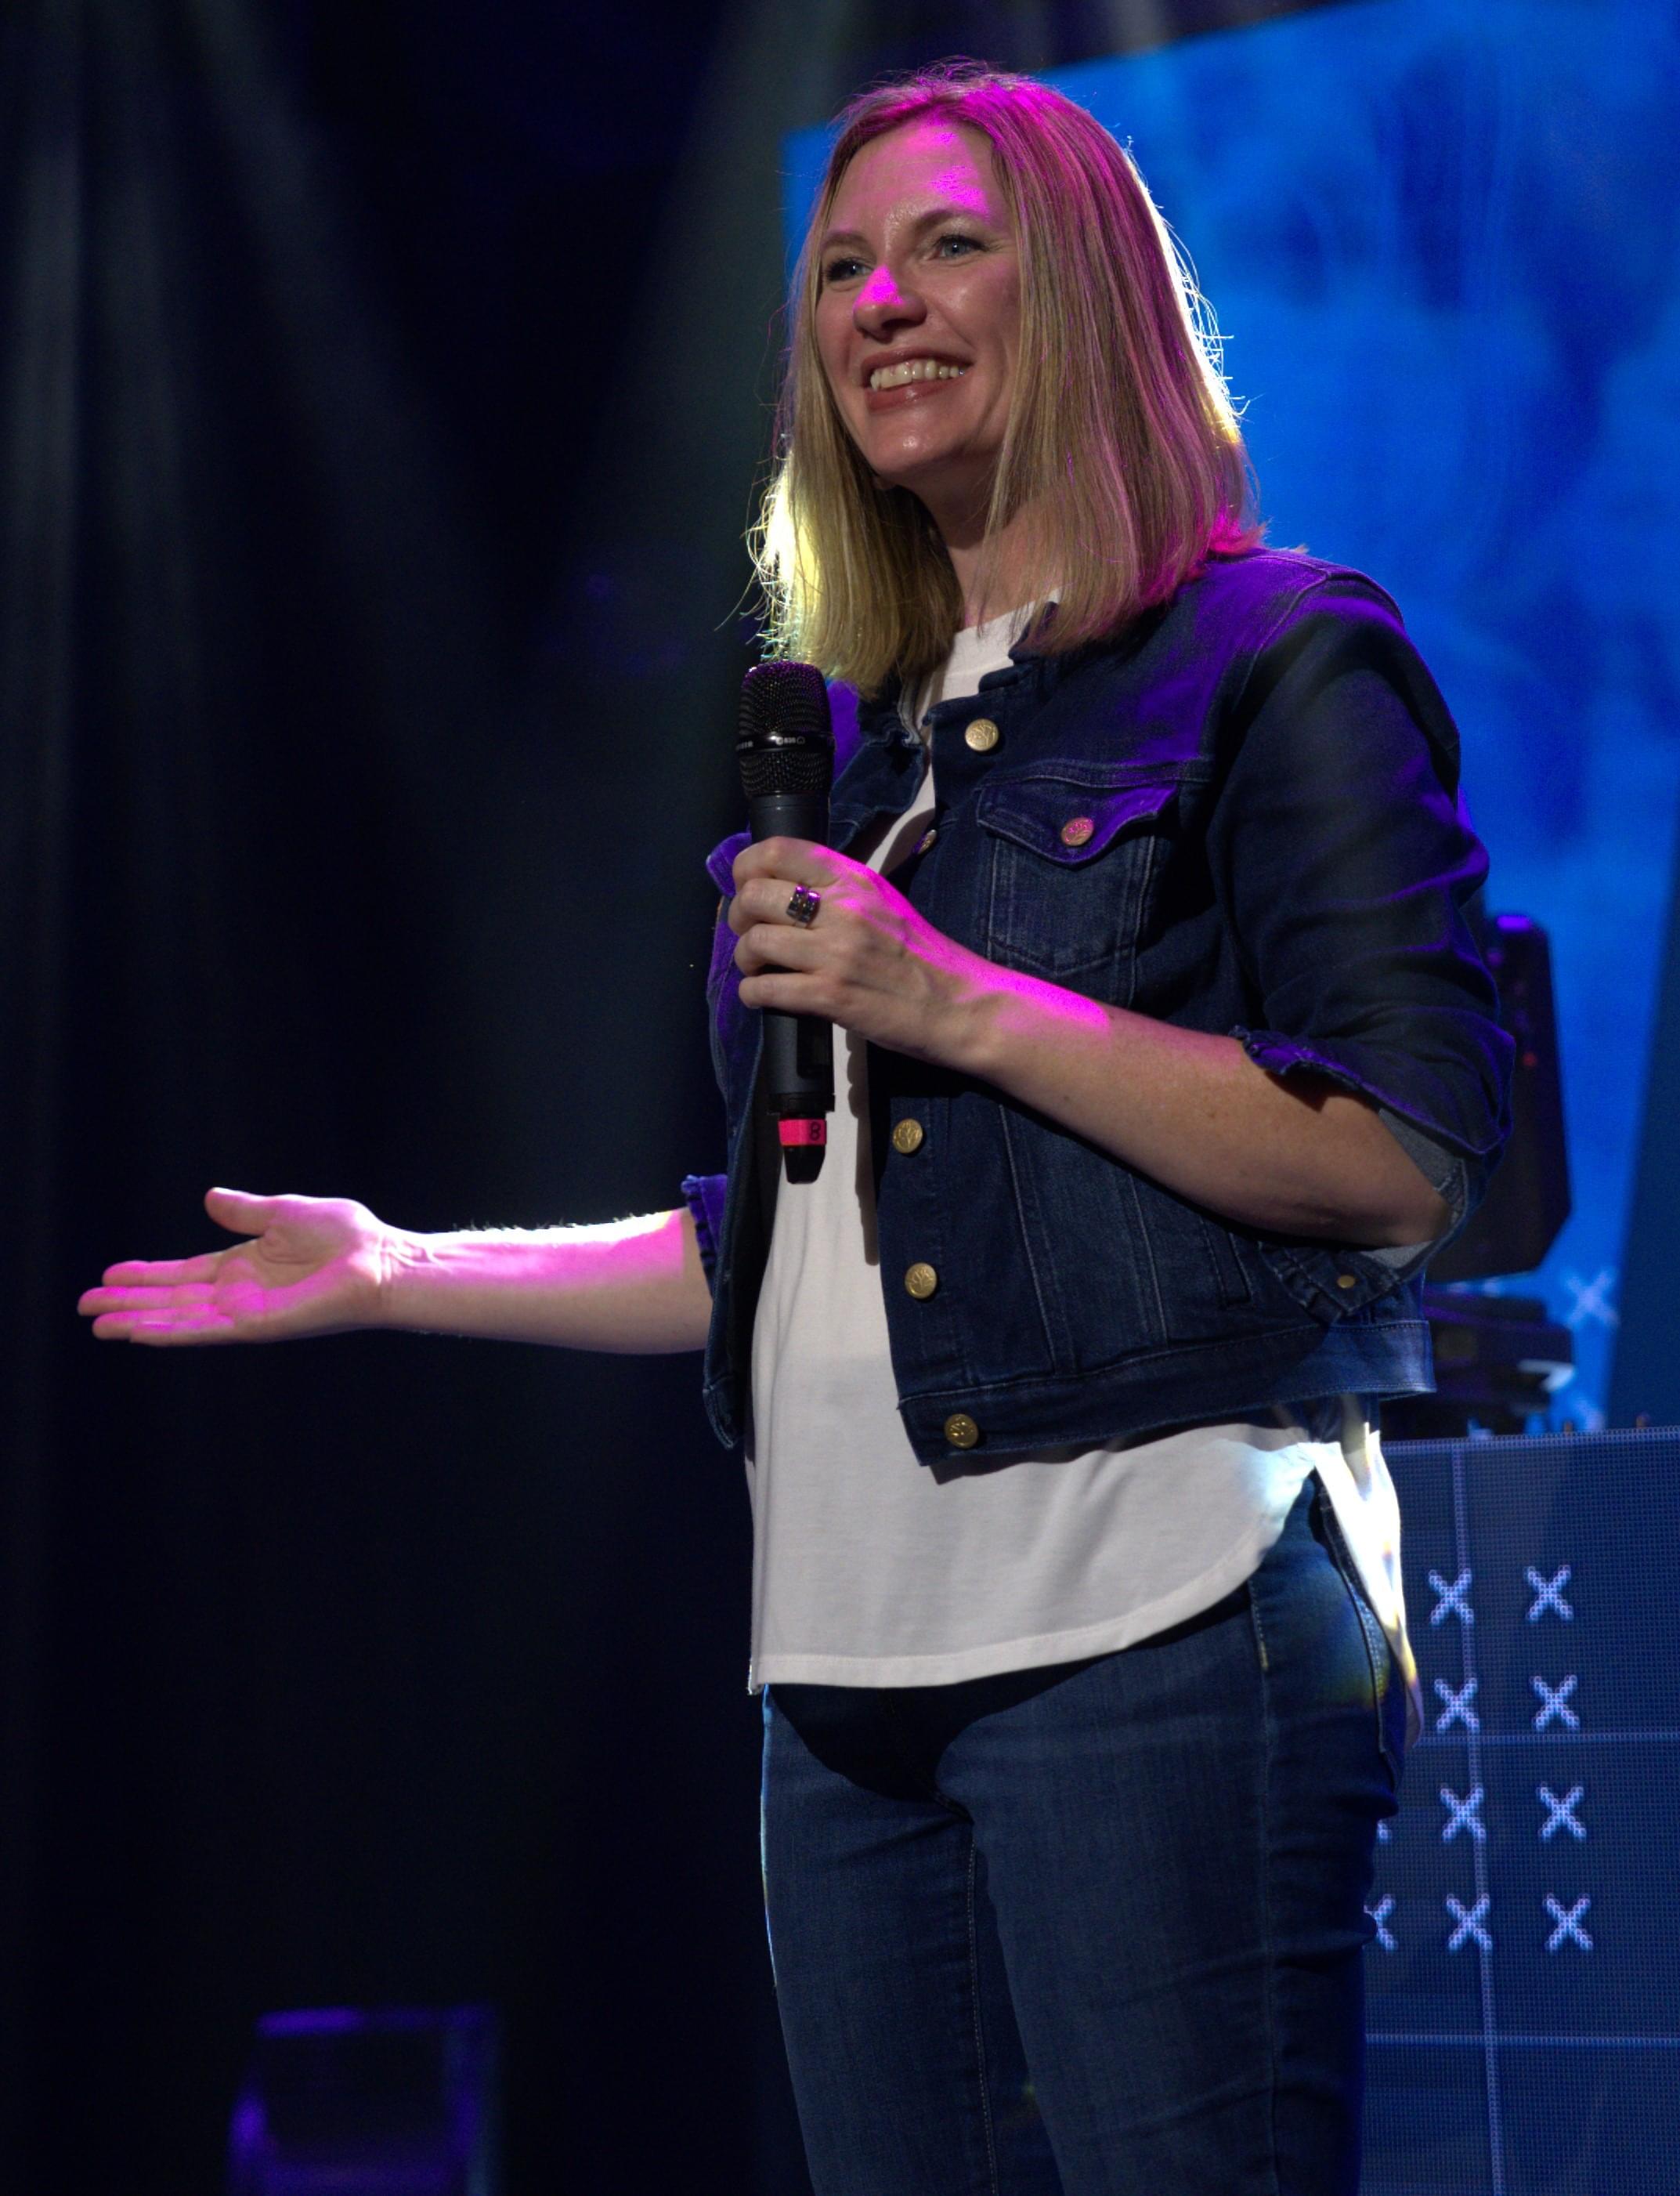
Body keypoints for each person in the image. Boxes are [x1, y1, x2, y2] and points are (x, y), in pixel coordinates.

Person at [80, 64, 1510, 2196]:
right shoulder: (851, 752)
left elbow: (1399, 1155)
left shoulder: (1269, 659)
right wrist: (397, 1269)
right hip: (842, 1677)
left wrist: (951, 999)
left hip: (1159, 1624)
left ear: (1085, 293)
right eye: (839, 268)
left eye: (948, 247)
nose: (879, 303)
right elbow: (790, 1240)